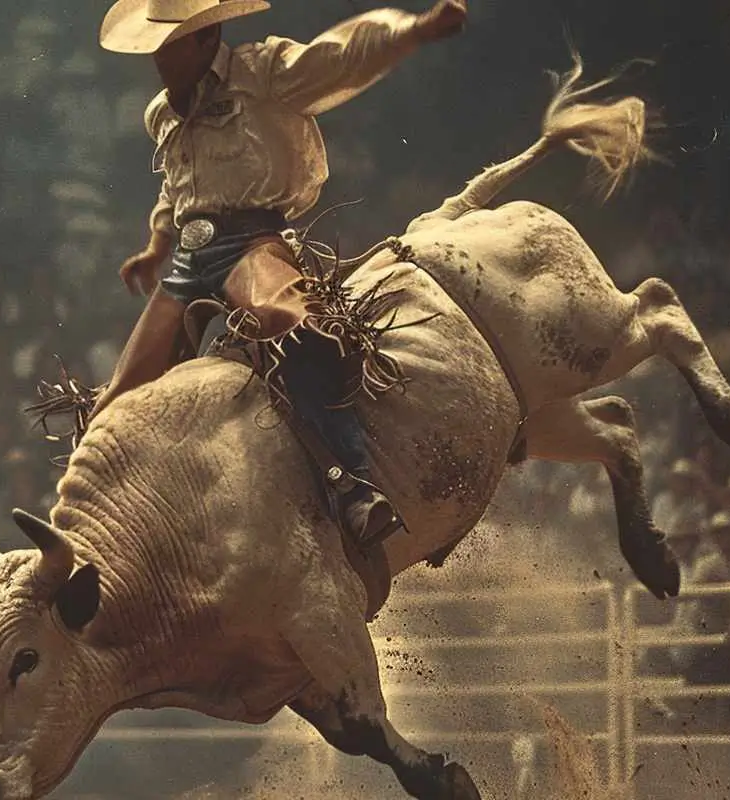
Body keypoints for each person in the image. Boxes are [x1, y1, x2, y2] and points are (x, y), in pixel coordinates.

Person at [94, 0, 469, 547]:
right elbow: (175, 184)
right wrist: (156, 245)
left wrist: (413, 30)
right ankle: (123, 535)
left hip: (252, 244)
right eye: (156, 46)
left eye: (170, 44)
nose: (159, 59)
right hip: (188, 262)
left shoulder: (264, 71)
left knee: (293, 326)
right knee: (117, 399)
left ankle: (353, 484)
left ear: (207, 37)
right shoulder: (161, 113)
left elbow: (340, 56)